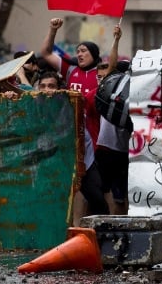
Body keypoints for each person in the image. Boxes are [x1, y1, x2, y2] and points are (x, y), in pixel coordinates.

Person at [40, 17, 103, 224]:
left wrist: (116, 40)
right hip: (68, 140)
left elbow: (112, 65)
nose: (79, 54)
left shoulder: (100, 74)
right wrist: (52, 29)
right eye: (78, 51)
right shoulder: (70, 70)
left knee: (96, 191)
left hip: (94, 139)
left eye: (84, 50)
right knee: (69, 189)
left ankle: (97, 228)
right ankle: (69, 228)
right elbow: (46, 53)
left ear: (94, 54)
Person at [94, 26, 132, 215]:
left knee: (120, 195)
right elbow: (111, 66)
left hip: (121, 151)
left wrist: (116, 40)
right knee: (106, 192)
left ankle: (119, 227)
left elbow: (112, 67)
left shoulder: (131, 95)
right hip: (106, 148)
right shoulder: (107, 90)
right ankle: (110, 224)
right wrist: (116, 40)